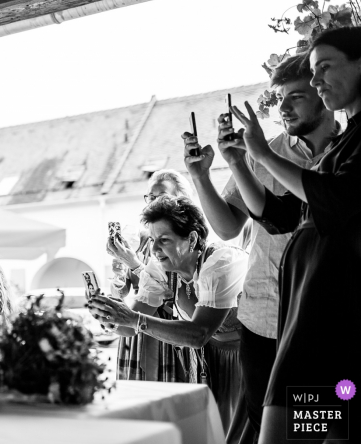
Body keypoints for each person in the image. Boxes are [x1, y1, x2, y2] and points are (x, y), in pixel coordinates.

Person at [181, 54, 338, 438]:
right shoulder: (263, 152)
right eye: (279, 97)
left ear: (324, 95)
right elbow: (228, 227)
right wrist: (200, 177)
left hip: (327, 322)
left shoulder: (346, 154)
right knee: (268, 428)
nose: (282, 108)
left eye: (295, 96)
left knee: (325, 427)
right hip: (263, 320)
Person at [219, 27, 361, 443]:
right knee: (307, 431)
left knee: (305, 433)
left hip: (334, 321)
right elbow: (282, 216)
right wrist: (240, 162)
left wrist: (262, 154)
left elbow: (332, 200)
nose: (317, 80)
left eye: (324, 69)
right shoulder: (345, 142)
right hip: (305, 316)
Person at [90, 195, 249, 443]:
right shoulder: (161, 269)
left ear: (193, 239)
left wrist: (132, 319)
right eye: (153, 240)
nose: (154, 249)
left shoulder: (222, 262)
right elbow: (130, 327)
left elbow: (198, 334)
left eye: (164, 240)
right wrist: (108, 316)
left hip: (249, 358)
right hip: (209, 362)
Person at [106, 169, 193, 381]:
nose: (153, 202)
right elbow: (124, 289)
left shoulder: (183, 241)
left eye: (160, 196)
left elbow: (168, 288)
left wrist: (132, 262)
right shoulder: (141, 239)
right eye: (150, 197)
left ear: (180, 199)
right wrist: (118, 276)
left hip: (164, 329)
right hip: (135, 322)